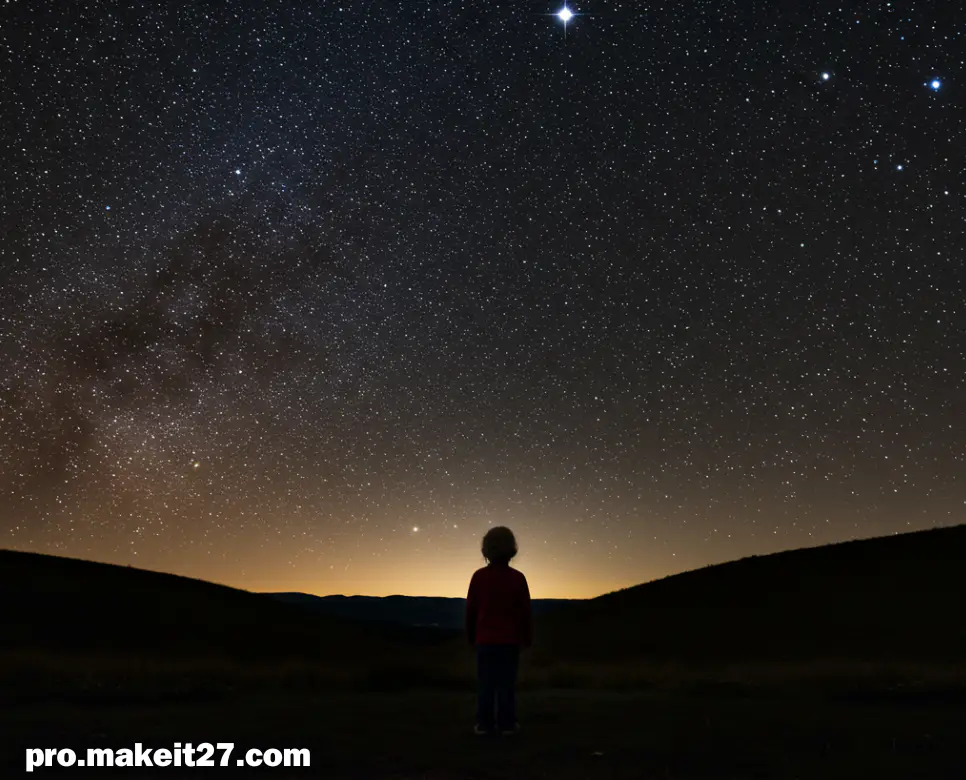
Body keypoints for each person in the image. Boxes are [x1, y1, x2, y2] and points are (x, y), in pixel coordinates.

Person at [465, 526, 532, 736]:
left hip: (485, 641)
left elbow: (471, 611)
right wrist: (527, 638)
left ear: (486, 549)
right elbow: (525, 612)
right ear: (512, 548)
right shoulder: (518, 578)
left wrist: (471, 637)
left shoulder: (479, 577)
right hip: (510, 642)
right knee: (506, 685)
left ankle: (484, 724)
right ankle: (507, 724)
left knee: (485, 685)